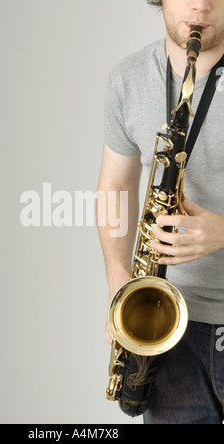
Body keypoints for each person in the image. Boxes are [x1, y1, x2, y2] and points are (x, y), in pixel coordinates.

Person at [98, 0, 224, 424]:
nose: (201, 5)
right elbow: (115, 187)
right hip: (166, 324)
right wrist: (121, 288)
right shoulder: (128, 79)